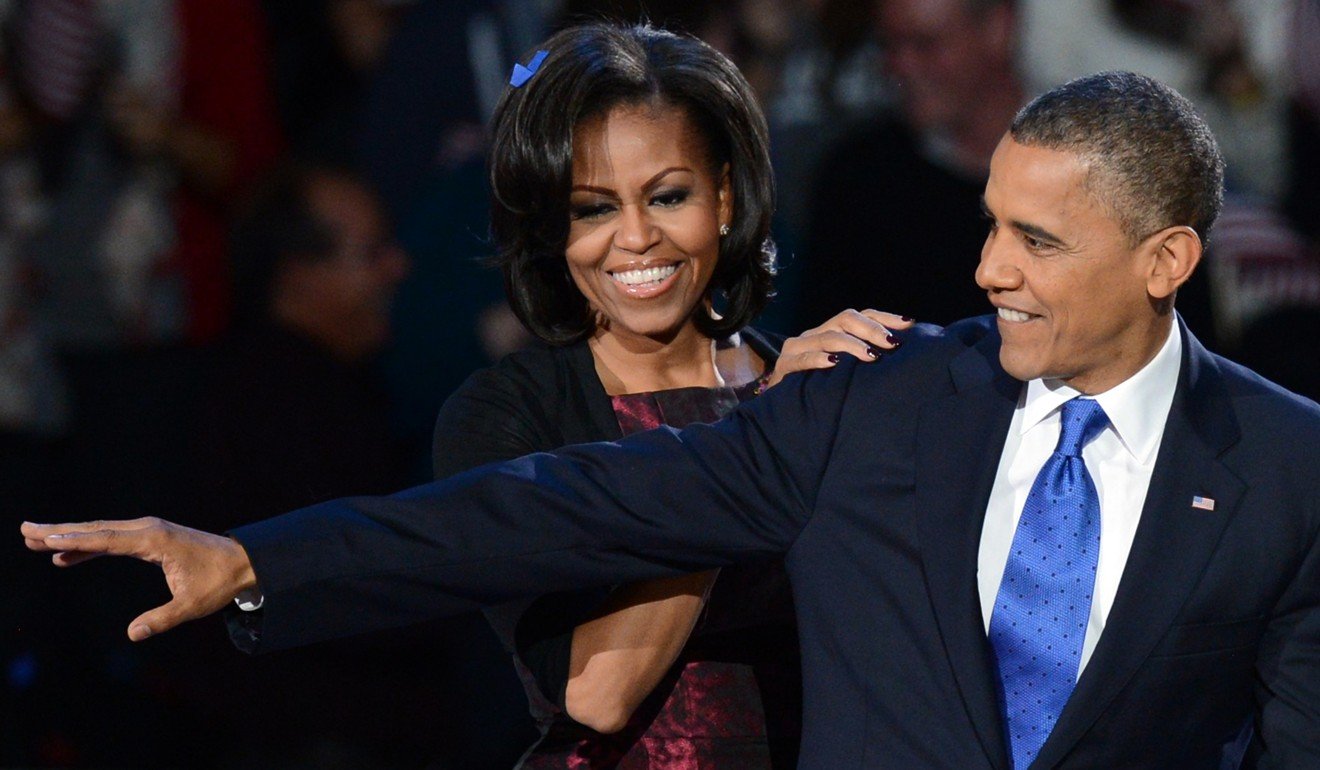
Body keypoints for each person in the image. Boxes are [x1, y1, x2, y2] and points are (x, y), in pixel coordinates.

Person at [24, 71, 1320, 770]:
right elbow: (544, 516)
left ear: (1165, 262)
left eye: (1036, 240)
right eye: (990, 224)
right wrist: (258, 559)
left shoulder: (1290, 465)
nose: (985, 269)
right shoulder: (871, 399)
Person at [798, 0, 1023, 328]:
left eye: (926, 44)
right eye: (889, 45)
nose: (901, 65)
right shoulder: (858, 178)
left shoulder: (1079, 157)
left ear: (997, 29)